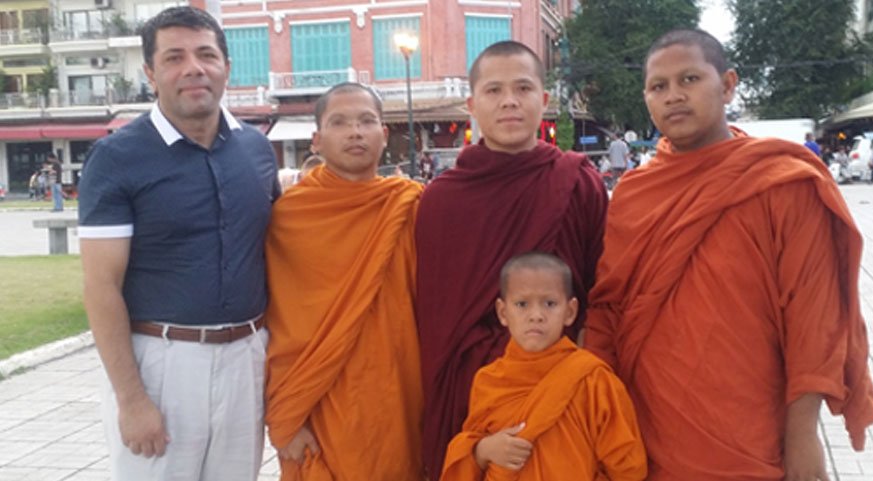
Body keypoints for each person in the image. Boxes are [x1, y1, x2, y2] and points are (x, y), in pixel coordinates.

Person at [584, 28, 873, 480]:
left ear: (726, 85)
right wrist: (599, 424)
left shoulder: (781, 182)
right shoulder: (634, 193)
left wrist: (802, 436)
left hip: (748, 427)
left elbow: (813, 319)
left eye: (689, 79)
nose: (673, 96)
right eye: (658, 86)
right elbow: (608, 309)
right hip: (646, 426)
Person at [78, 7, 278, 481]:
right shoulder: (116, 158)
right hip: (162, 364)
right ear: (150, 72)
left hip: (246, 358)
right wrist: (131, 400)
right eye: (174, 57)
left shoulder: (255, 149)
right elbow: (100, 287)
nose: (194, 68)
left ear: (226, 67)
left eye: (207, 54)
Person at [416, 40, 608, 479]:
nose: (509, 102)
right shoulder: (441, 201)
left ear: (543, 100)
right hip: (475, 389)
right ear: (472, 103)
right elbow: (437, 323)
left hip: (563, 382)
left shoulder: (577, 182)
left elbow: (600, 291)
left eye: (523, 89)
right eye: (494, 90)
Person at [265, 82, 424, 481]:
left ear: (384, 136)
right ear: (316, 139)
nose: (355, 132)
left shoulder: (409, 205)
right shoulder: (289, 217)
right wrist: (284, 414)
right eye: (340, 122)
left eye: (367, 121)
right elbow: (276, 320)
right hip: (318, 403)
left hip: (396, 394)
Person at [440, 252, 647, 481]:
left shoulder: (593, 378)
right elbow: (469, 456)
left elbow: (628, 468)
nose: (536, 316)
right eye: (522, 304)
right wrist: (484, 450)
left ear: (569, 312)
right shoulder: (489, 380)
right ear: (503, 312)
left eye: (549, 304)